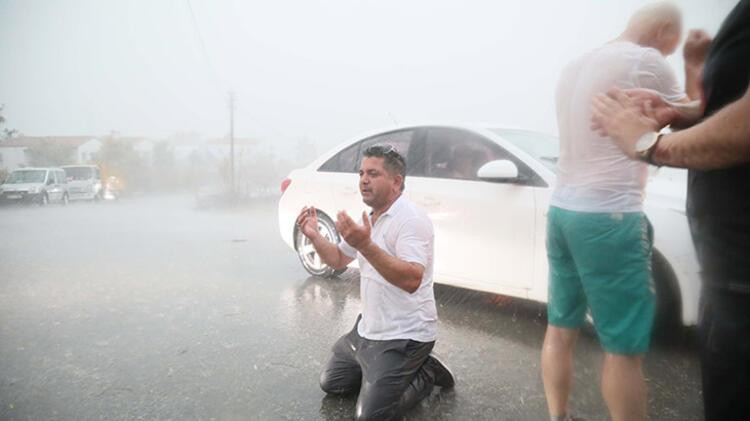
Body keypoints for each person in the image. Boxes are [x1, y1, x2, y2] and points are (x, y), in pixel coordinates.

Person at [591, 2, 750, 419]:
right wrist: (679, 110)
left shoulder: (598, 62)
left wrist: (651, 144)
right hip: (728, 273)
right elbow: (722, 111)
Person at [541, 3, 696, 421]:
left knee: (560, 327)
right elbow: (700, 119)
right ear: (663, 31)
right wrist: (696, 68)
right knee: (623, 350)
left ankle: (558, 416)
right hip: (608, 216)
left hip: (562, 210)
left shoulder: (575, 66)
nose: (668, 56)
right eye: (671, 46)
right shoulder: (644, 61)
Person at [295, 144, 454, 421]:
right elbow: (337, 259)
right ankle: (384, 373)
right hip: (367, 330)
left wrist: (366, 245)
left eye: (373, 174)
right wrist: (315, 236)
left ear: (396, 181)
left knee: (371, 417)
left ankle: (426, 371)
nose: (363, 180)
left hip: (405, 336)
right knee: (333, 384)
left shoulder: (411, 220)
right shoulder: (367, 219)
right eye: (360, 173)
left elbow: (412, 279)